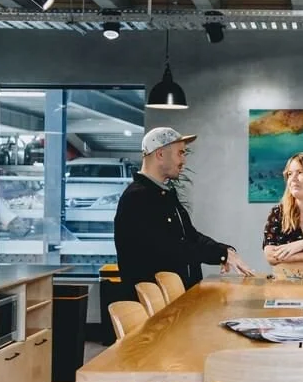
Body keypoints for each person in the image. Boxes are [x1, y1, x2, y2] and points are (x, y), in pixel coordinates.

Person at [108, 127, 253, 343]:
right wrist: (218, 253)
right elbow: (170, 249)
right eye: (180, 153)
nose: (183, 160)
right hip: (156, 319)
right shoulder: (138, 199)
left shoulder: (163, 193)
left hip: (175, 310)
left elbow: (190, 235)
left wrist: (225, 250)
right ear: (159, 154)